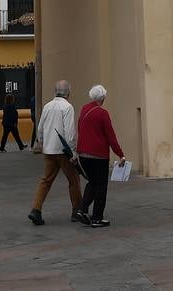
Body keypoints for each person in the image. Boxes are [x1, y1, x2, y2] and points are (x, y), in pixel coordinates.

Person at [28, 79, 83, 226]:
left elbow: (40, 128)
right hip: (63, 150)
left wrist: (42, 142)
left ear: (55, 91)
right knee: (74, 180)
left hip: (49, 150)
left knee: (46, 180)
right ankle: (77, 210)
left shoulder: (47, 106)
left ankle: (36, 209)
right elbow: (69, 132)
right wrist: (73, 152)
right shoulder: (67, 107)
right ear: (68, 93)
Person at [75, 85, 126, 228]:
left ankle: (82, 209)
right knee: (101, 186)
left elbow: (79, 128)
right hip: (98, 156)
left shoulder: (84, 109)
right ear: (102, 98)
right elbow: (111, 136)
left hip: (83, 154)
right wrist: (120, 154)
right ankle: (97, 218)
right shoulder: (103, 114)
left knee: (92, 182)